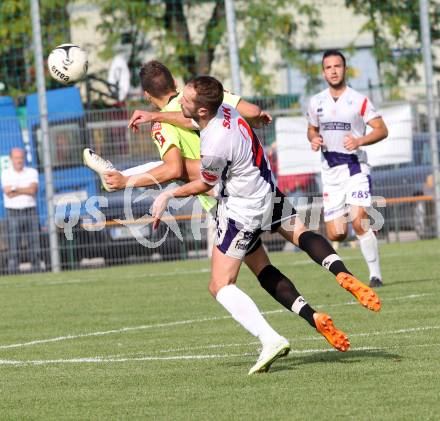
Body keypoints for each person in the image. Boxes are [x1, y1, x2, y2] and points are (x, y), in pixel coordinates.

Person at [84, 62, 354, 372]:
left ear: (146, 95)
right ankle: (319, 305)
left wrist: (128, 181)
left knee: (221, 283)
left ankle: (272, 338)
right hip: (259, 188)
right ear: (174, 82)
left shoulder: (167, 121)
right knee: (273, 258)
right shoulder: (208, 97)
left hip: (228, 206)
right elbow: (250, 111)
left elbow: (176, 169)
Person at [149, 77, 379, 372]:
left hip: (242, 212)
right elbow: (189, 121)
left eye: (187, 100)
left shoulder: (213, 141)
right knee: (302, 234)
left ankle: (273, 337)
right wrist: (155, 116)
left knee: (220, 284)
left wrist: (168, 193)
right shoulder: (228, 111)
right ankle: (341, 274)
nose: (180, 102)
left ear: (203, 110)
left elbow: (206, 182)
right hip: (268, 190)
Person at [307, 50, 388, 288]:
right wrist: (313, 139)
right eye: (328, 67)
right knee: (336, 234)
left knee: (359, 219)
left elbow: (382, 129)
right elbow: (311, 130)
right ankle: (357, 240)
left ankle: (375, 275)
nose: (333, 71)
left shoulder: (359, 100)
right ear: (323, 72)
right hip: (330, 173)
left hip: (355, 167)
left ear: (345, 69)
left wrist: (360, 141)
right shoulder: (316, 102)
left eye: (337, 66)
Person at [1, 148, 41, 273]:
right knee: (14, 244)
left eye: (21, 157)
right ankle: (14, 272)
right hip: (13, 212)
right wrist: (25, 189)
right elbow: (8, 193)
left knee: (34, 243)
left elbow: (33, 190)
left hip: (30, 211)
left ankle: (36, 270)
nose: (19, 160)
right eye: (16, 158)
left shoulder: (32, 172)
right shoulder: (6, 173)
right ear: (11, 159)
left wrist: (16, 189)